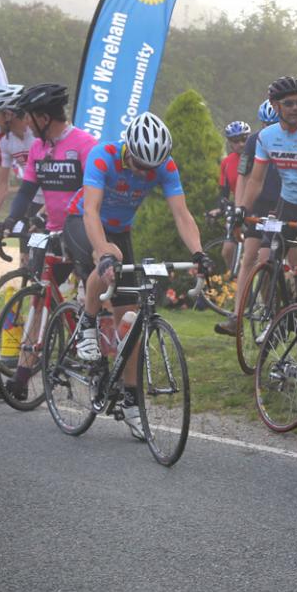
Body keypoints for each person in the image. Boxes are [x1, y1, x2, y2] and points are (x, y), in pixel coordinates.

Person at [64, 112, 213, 440]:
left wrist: (198, 253)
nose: (145, 173)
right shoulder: (103, 157)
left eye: (151, 168)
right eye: (140, 166)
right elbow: (90, 210)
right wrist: (102, 250)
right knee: (111, 258)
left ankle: (132, 400)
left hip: (121, 230)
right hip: (81, 222)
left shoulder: (165, 165)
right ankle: (86, 325)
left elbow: (182, 213)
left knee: (129, 320)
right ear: (128, 149)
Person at [0, 83, 95, 402]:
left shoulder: (85, 144)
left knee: (93, 296)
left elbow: (94, 192)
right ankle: (21, 378)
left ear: (45, 118)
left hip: (82, 229)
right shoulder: (37, 149)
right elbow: (25, 191)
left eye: (31, 118)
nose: (27, 124)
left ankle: (101, 355)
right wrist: (8, 222)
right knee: (39, 297)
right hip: (53, 230)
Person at [239, 77, 297, 298]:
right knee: (267, 259)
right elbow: (255, 181)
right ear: (275, 106)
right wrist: (242, 208)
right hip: (287, 203)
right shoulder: (266, 137)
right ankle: (276, 319)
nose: (295, 108)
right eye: (289, 103)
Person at [216, 99, 283, 336]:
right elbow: (243, 176)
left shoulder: (291, 141)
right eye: (264, 124)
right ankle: (237, 317)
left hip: (284, 204)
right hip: (259, 205)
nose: (267, 129)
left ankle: (285, 311)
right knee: (249, 259)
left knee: (282, 261)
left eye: (272, 124)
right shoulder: (254, 141)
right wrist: (240, 208)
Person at [0, 85, 38, 244]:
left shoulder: (38, 134)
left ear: (8, 114)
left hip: (53, 203)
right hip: (29, 201)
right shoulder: (4, 140)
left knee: (50, 259)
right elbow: (2, 182)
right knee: (27, 264)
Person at [210, 120, 251, 269]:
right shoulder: (226, 163)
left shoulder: (258, 157)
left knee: (252, 251)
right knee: (227, 251)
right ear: (230, 143)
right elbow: (224, 193)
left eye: (244, 139)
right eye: (235, 141)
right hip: (239, 208)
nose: (240, 144)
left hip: (257, 207)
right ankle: (239, 282)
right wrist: (220, 209)